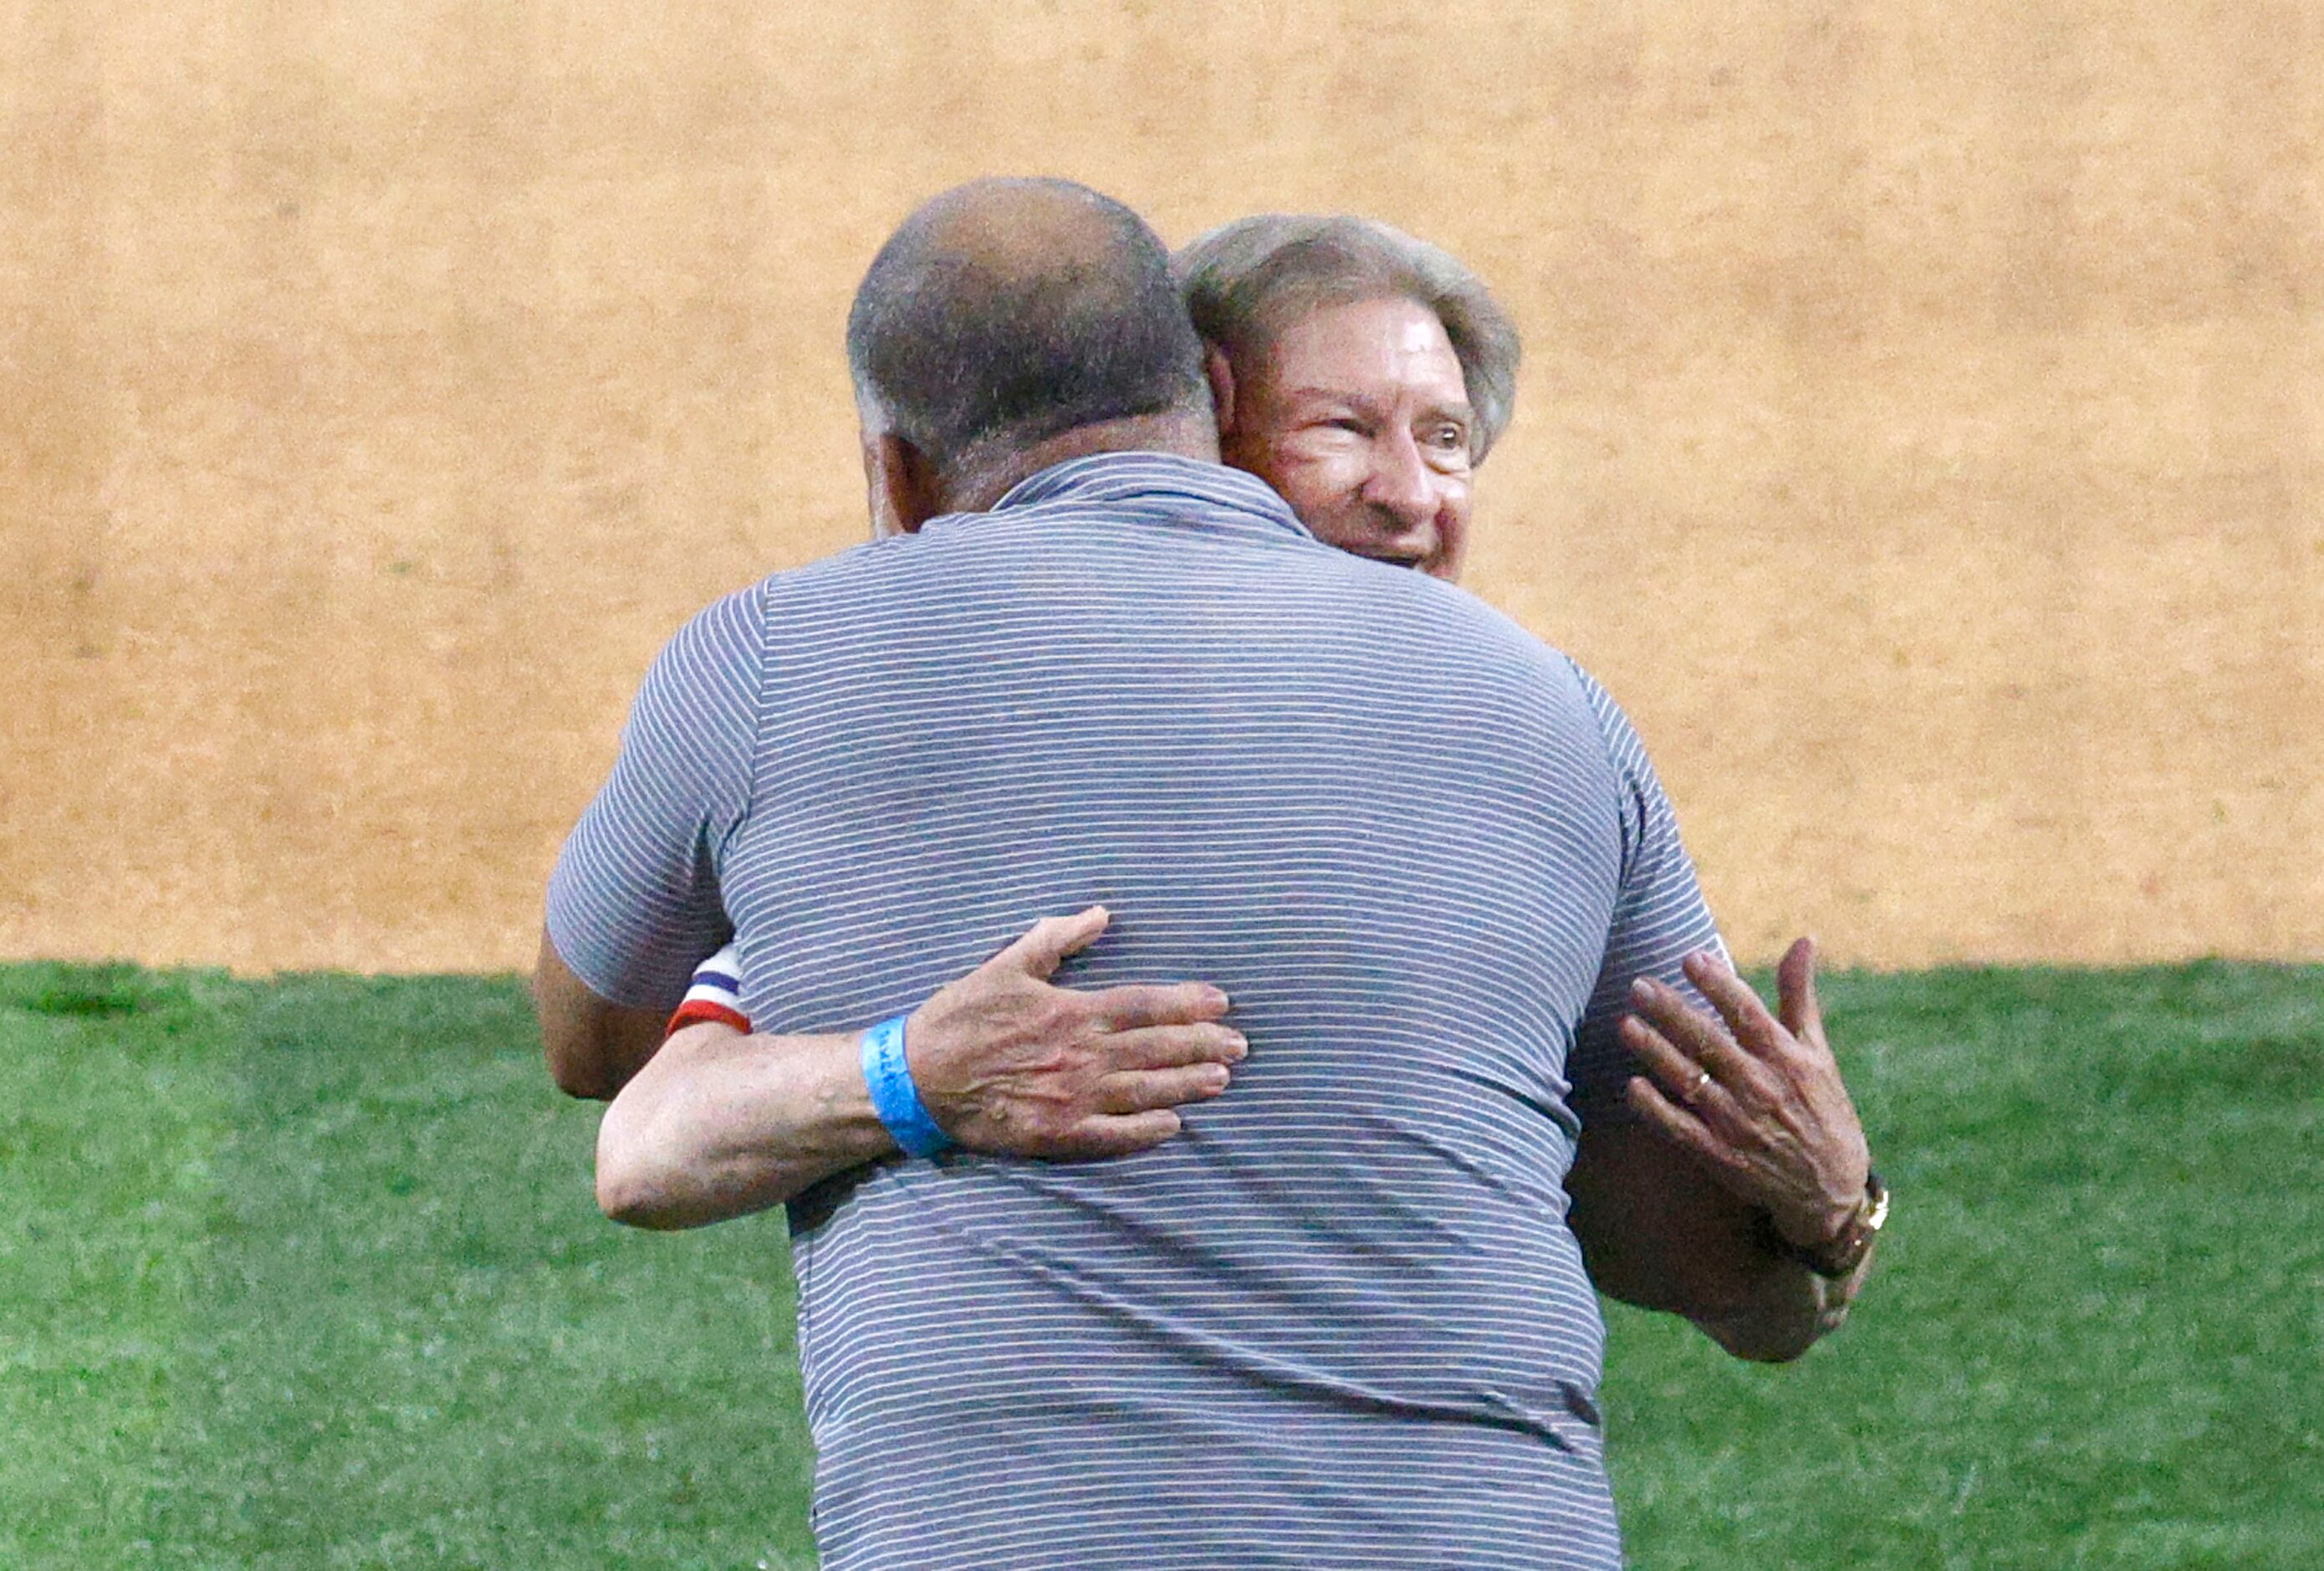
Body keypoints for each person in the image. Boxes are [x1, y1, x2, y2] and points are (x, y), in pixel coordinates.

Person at [539, 177, 1874, 1569]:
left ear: (898, 477)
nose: (1406, 496)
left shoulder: (776, 665)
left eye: (1442, 442)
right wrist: (1842, 1217)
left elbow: (598, 1052)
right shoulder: (1557, 711)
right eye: (1342, 428)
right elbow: (1730, 1267)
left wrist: (890, 1064)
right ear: (1210, 407)